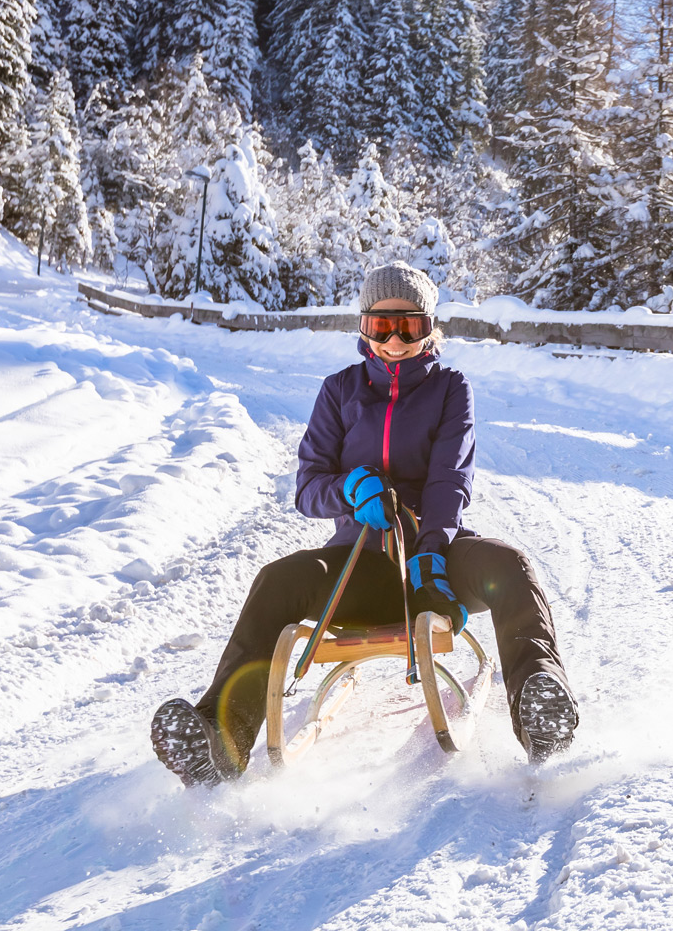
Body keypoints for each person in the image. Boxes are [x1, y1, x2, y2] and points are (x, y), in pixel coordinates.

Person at [150, 263, 578, 785]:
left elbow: (450, 481)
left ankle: (540, 704)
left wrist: (431, 552)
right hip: (363, 564)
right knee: (277, 580)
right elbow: (307, 487)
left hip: (436, 564)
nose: (395, 341)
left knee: (510, 565)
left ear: (430, 329)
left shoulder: (450, 389)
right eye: (382, 327)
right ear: (363, 327)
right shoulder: (339, 391)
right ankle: (221, 738)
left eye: (410, 327)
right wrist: (350, 490)